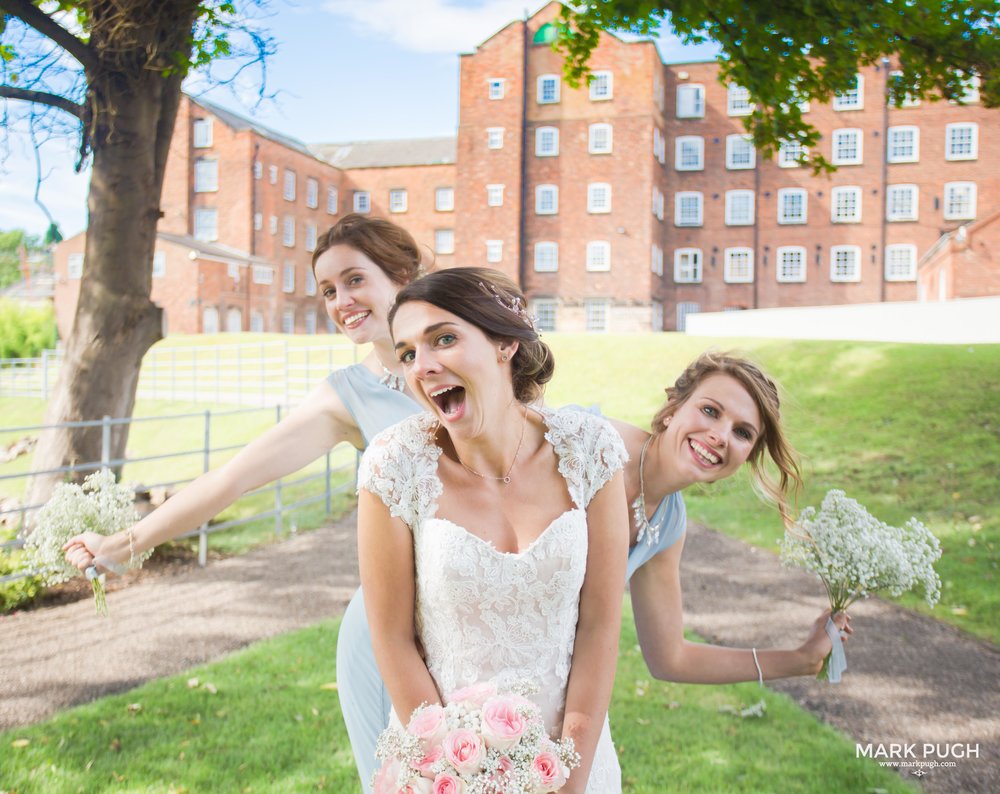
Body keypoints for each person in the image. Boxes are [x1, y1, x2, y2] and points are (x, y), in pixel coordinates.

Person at [60, 212, 426, 776]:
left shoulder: (471, 351)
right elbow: (232, 478)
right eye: (328, 290)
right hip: (394, 628)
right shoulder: (346, 399)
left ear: (401, 273)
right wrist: (124, 542)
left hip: (493, 610)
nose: (340, 301)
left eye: (355, 279)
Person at [357, 268, 629, 792]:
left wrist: (571, 775)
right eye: (408, 353)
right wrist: (454, 774)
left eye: (444, 339)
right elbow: (393, 639)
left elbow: (599, 627)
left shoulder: (590, 451)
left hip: (574, 752)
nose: (424, 365)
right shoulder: (395, 466)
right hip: (446, 764)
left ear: (505, 343)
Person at [610, 351, 852, 684]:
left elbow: (671, 659)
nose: (720, 436)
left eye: (742, 433)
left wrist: (801, 659)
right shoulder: (595, 445)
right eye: (710, 411)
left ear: (748, 456)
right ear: (671, 410)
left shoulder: (667, 524)